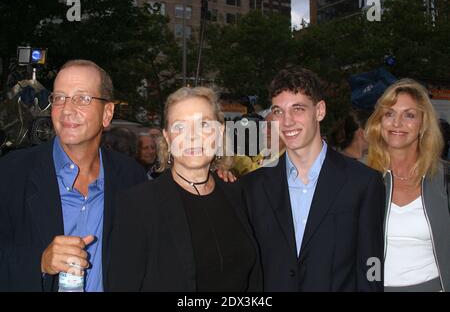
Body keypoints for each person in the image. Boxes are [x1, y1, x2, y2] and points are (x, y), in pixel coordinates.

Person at [0, 60, 146, 292]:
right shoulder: (11, 173)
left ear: (107, 113)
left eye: (82, 98)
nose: (67, 109)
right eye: (59, 97)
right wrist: (38, 262)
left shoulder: (131, 178)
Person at [242, 68, 385, 291]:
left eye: (297, 109)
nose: (287, 122)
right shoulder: (252, 187)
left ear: (319, 111)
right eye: (278, 112)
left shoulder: (363, 182)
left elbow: (371, 264)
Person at [108, 87, 262, 291]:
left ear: (220, 131)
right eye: (180, 127)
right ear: (168, 138)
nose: (192, 136)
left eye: (204, 125)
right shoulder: (138, 205)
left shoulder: (237, 193)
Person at [365, 78, 450, 292]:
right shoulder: (359, 177)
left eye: (409, 115)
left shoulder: (445, 177)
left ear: (423, 125)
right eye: (389, 114)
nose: (397, 123)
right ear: (379, 122)